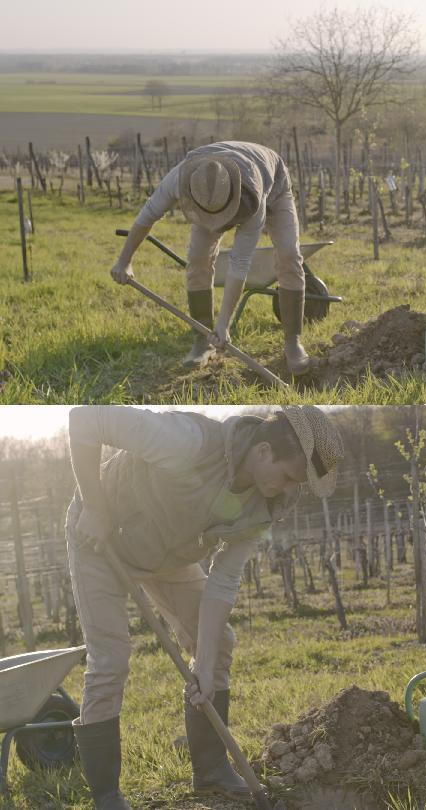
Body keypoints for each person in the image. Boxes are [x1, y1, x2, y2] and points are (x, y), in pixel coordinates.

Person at [65, 405, 344, 808]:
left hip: (169, 558)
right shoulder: (188, 442)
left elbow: (222, 582)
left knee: (217, 645)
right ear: (264, 452)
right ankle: (107, 795)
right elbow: (85, 420)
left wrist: (206, 665)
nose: (289, 491)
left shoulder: (264, 507)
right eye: (288, 477)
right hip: (100, 539)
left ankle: (211, 771)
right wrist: (94, 505)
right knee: (111, 661)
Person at [109, 141, 315, 375]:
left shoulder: (252, 198)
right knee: (198, 259)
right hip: (213, 196)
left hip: (272, 182)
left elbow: (239, 262)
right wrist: (124, 260)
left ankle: (292, 342)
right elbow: (147, 216)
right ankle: (202, 338)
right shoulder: (182, 181)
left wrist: (225, 323)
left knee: (289, 254)